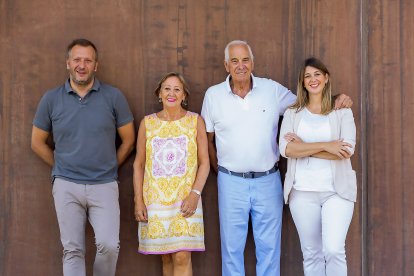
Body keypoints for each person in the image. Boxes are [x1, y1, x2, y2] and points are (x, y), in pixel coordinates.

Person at [201, 40, 353, 276]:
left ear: (252, 62)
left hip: (267, 180)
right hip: (230, 181)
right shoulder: (213, 95)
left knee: (269, 249)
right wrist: (219, 170)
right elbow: (207, 139)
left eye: (245, 60)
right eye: (234, 61)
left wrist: (337, 98)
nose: (240, 66)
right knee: (231, 250)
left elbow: (310, 100)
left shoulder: (272, 90)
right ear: (226, 65)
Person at [31, 38, 135, 276]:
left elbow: (128, 140)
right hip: (67, 184)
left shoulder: (113, 97)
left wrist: (109, 166)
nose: (82, 65)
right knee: (73, 250)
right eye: (77, 59)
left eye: (88, 60)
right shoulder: (51, 99)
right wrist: (61, 165)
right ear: (68, 63)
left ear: (95, 66)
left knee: (109, 245)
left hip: (104, 184)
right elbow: (37, 142)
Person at [279, 57, 356, 276]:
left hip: (336, 192)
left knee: (333, 250)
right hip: (302, 192)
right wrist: (326, 145)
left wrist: (304, 147)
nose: (313, 80)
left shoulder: (341, 111)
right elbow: (286, 150)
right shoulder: (293, 113)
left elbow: (345, 151)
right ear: (302, 82)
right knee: (311, 253)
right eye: (307, 76)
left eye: (317, 74)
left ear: (326, 77)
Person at [133, 72, 210, 276]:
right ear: (159, 93)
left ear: (184, 95)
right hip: (155, 201)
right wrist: (138, 201)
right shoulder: (147, 123)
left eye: (177, 89)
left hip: (186, 200)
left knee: (182, 255)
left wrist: (195, 194)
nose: (171, 93)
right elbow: (138, 164)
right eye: (167, 88)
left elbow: (205, 163)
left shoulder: (195, 121)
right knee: (166, 256)